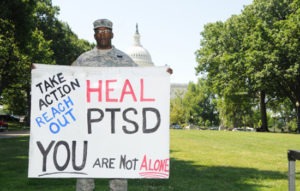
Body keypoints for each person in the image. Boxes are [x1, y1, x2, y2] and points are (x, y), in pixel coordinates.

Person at [72, 18, 172, 191]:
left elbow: (141, 77)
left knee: (118, 170)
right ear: (94, 35)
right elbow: (65, 76)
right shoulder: (83, 59)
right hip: (90, 123)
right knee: (85, 170)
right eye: (99, 31)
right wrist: (40, 73)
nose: (103, 34)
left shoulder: (124, 58)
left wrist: (161, 74)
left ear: (112, 34)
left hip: (116, 124)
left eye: (106, 31)